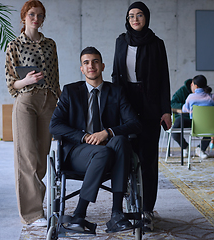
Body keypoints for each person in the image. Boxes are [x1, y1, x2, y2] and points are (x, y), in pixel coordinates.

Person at [49, 47, 142, 233]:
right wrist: (83, 136)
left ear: (102, 66)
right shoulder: (70, 91)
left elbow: (135, 123)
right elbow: (55, 125)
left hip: (112, 152)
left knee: (121, 141)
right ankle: (79, 214)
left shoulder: (116, 91)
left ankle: (117, 213)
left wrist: (107, 132)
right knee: (103, 151)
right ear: (81, 69)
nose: (91, 65)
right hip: (79, 151)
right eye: (86, 62)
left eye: (95, 61)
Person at [111, 1, 171, 231]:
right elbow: (116, 74)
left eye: (139, 15)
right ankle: (127, 203)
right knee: (125, 154)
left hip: (150, 104)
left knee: (147, 158)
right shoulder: (120, 41)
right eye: (131, 15)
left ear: (146, 18)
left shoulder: (157, 44)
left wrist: (165, 109)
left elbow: (164, 78)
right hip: (124, 102)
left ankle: (147, 209)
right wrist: (113, 105)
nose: (135, 19)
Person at [5, 0, 60, 227]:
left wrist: (61, 101)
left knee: (40, 159)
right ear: (23, 17)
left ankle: (38, 205)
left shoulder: (50, 44)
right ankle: (32, 214)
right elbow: (10, 83)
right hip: (26, 101)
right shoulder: (14, 45)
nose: (36, 19)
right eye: (31, 15)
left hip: (48, 100)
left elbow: (56, 76)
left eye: (39, 15)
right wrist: (25, 80)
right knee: (26, 157)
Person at [182, 75, 214, 164]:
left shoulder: (190, 97)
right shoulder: (213, 97)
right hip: (213, 128)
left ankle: (213, 142)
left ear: (196, 86)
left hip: (197, 128)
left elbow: (184, 109)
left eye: (192, 84)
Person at [171, 78, 213, 159]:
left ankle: (200, 149)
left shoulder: (206, 93)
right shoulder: (182, 91)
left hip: (201, 119)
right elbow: (173, 103)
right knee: (175, 129)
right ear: (192, 85)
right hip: (185, 118)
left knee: (212, 124)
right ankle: (185, 146)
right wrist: (186, 107)